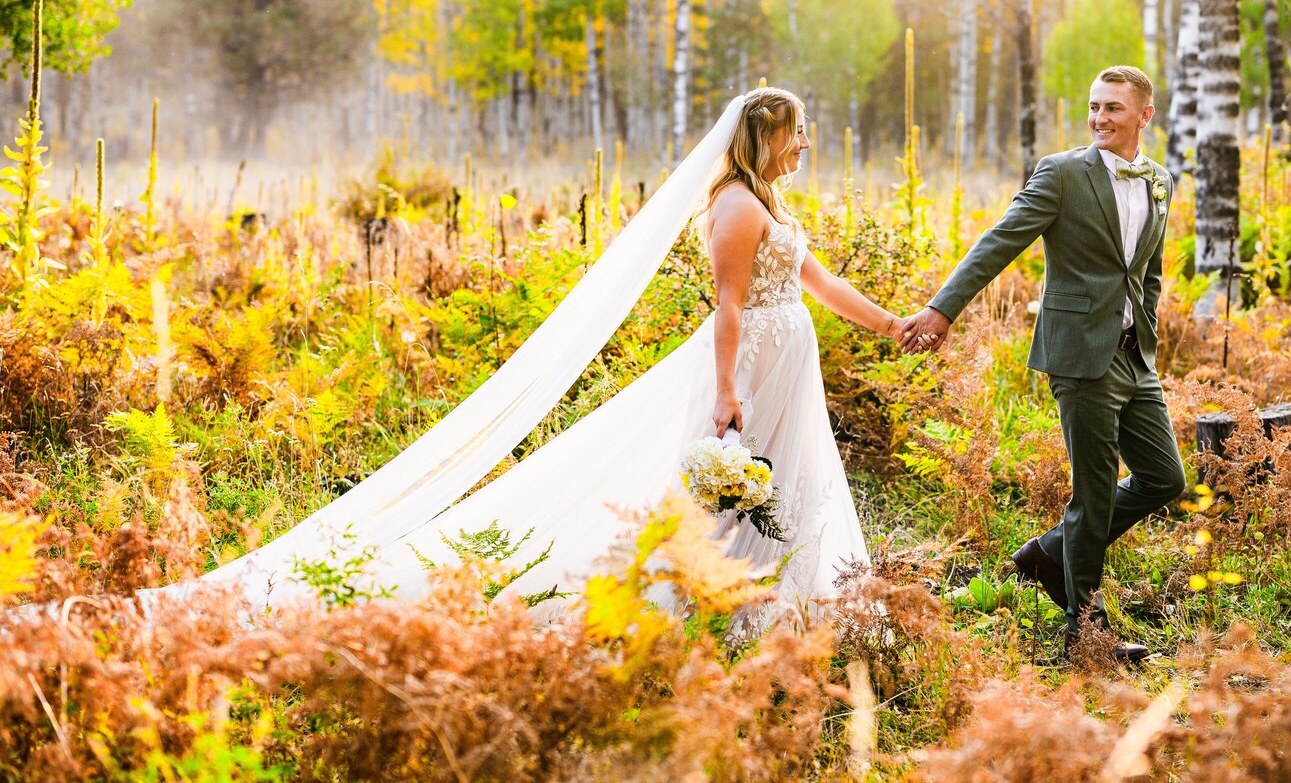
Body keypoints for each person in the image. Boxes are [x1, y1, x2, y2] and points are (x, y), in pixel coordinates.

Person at [172, 89, 889, 639]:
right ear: (766, 135)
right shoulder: (736, 207)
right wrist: (729, 390)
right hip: (753, 368)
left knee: (781, 484)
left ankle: (772, 606)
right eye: (797, 132)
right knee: (734, 493)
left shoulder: (769, 203)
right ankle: (715, 606)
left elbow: (819, 284)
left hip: (785, 367)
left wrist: (895, 325)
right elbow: (729, 305)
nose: (805, 144)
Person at [897, 65, 1185, 663]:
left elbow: (1148, 269)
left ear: (1144, 116)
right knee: (1095, 491)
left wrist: (1146, 327)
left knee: (1165, 479)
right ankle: (1088, 632)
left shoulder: (1159, 179)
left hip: (1135, 355)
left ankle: (1050, 554)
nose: (1100, 117)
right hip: (1080, 353)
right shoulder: (1061, 174)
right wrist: (942, 310)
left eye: (1113, 108)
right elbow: (999, 242)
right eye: (1094, 106)